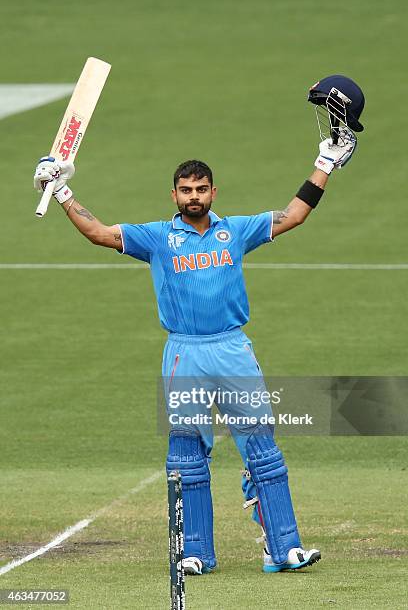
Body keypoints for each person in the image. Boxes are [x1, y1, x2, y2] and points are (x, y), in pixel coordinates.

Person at [33, 133, 354, 574]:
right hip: (184, 354)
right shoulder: (159, 238)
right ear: (175, 194)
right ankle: (196, 553)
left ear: (212, 192)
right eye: (186, 190)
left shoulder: (235, 230)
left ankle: (284, 550)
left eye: (201, 189)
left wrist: (326, 162)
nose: (194, 197)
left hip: (232, 349)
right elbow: (99, 233)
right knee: (185, 457)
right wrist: (64, 192)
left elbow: (294, 215)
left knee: (263, 450)